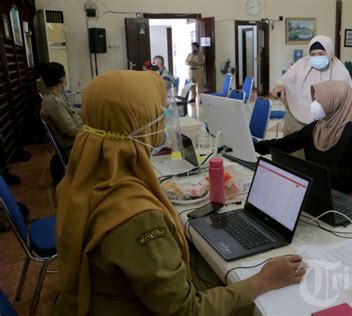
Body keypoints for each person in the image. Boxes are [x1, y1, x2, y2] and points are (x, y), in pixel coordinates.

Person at [55, 70, 306, 315]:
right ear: (136, 124)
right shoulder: (137, 218)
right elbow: (187, 310)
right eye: (158, 113)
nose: (163, 120)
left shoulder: (79, 179)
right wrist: (263, 280)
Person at [255, 80, 352, 198]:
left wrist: (321, 173)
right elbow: (286, 144)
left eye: (319, 101)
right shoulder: (316, 128)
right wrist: (256, 146)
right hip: (315, 189)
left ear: (334, 103)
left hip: (340, 195)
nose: (314, 104)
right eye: (314, 100)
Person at [271, 35, 352, 136]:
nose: (317, 57)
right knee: (294, 148)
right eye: (313, 54)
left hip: (328, 122)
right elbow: (287, 78)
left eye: (321, 54)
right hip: (298, 116)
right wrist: (280, 85)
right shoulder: (301, 64)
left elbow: (347, 98)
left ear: (330, 52)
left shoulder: (340, 71)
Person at [39, 62, 82, 157]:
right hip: (76, 147)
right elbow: (72, 132)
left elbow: (73, 111)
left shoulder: (55, 97)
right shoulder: (54, 102)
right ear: (61, 79)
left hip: (79, 140)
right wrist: (95, 134)